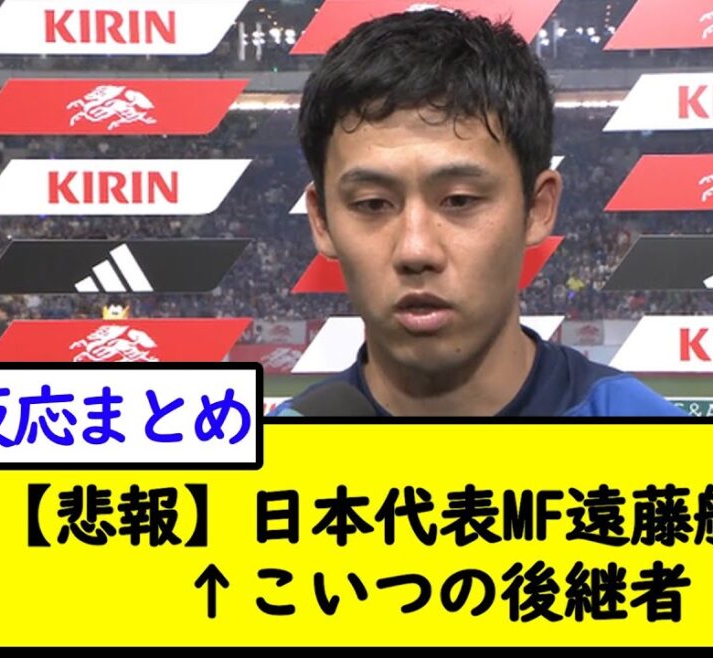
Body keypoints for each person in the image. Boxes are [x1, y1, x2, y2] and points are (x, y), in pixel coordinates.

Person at [270, 8, 684, 417]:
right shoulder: (269, 453)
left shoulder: (657, 441)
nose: (416, 250)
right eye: (372, 204)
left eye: (460, 200)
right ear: (321, 221)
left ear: (537, 208)